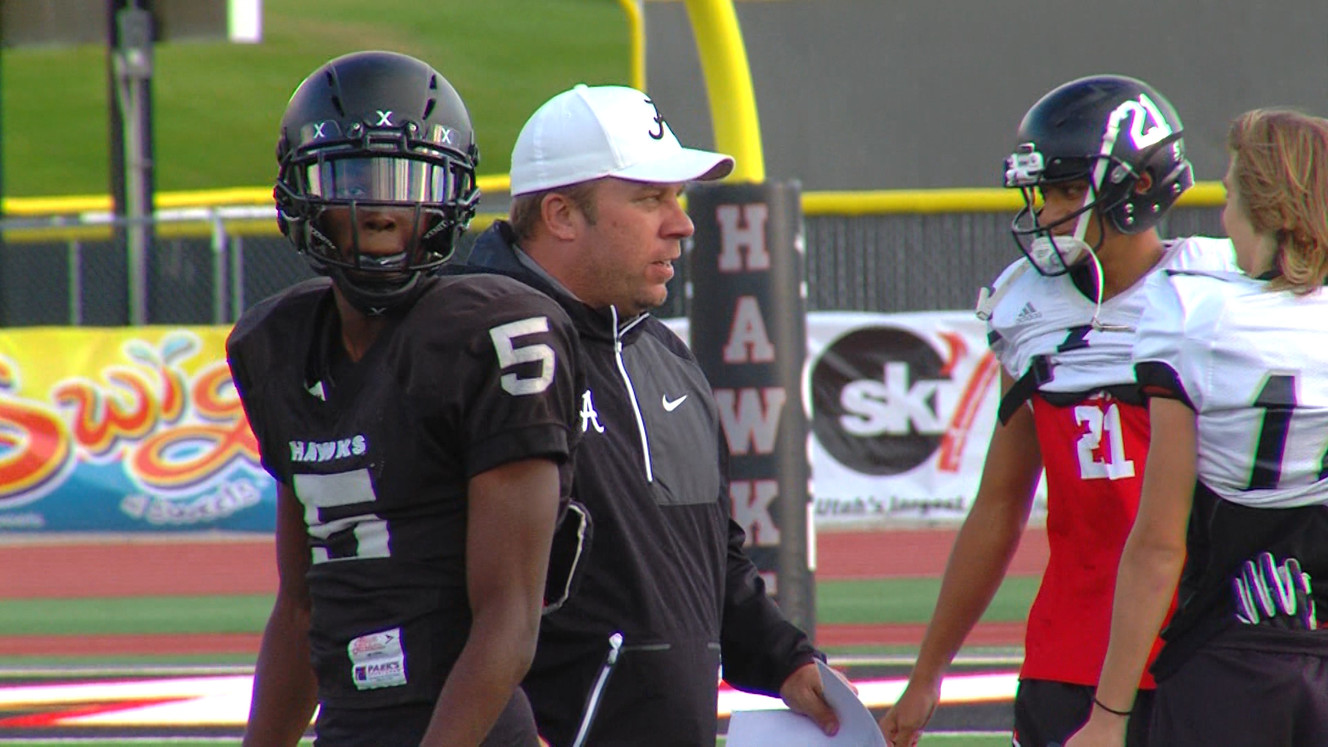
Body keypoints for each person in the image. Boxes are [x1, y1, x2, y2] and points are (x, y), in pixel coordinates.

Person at [461, 83, 838, 746]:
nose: (682, 222)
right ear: (561, 214)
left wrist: (786, 660)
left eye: (678, 197)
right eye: (649, 198)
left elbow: (708, 559)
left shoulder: (668, 358)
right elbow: (420, 593)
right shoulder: (467, 350)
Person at [227, 50, 583, 746]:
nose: (381, 208)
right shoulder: (278, 344)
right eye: (351, 178)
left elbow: (509, 624)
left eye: (408, 181)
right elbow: (301, 605)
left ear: (451, 196)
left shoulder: (496, 335)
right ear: (301, 195)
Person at [878, 75, 1239, 747]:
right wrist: (929, 670)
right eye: (1045, 192)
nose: (1048, 212)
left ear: (1136, 189)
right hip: (1068, 653)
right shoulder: (1029, 312)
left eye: (1070, 190)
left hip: (1206, 645)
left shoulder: (1219, 300)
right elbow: (1000, 501)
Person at [1065, 108, 1328, 746]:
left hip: (1224, 653)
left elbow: (1158, 545)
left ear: (1262, 206)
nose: (1222, 214)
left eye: (1231, 192)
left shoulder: (1194, 313)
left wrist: (1108, 716)